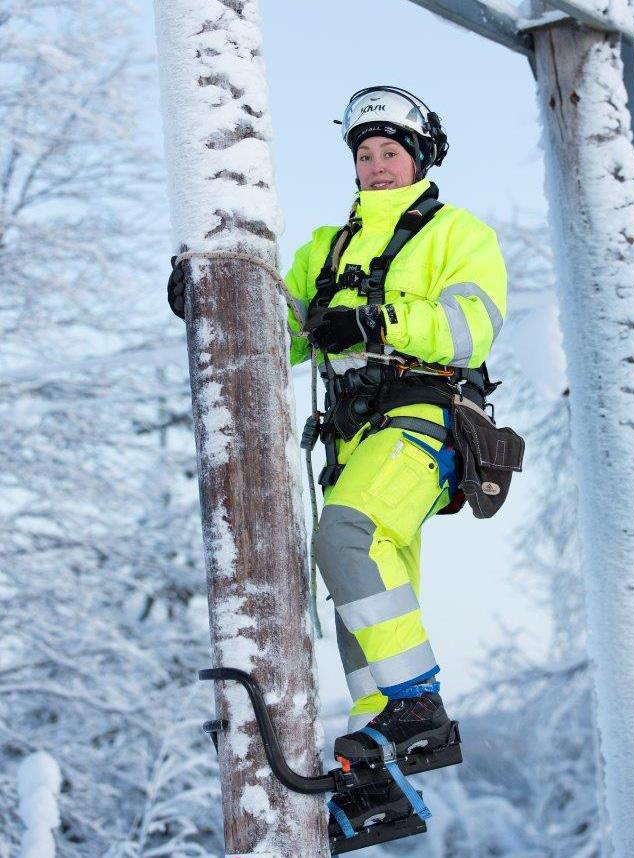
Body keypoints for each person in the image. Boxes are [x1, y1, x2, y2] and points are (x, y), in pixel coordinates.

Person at [168, 85, 507, 835]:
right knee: (361, 582)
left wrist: (379, 317)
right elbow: (277, 335)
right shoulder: (326, 247)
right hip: (352, 435)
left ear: (418, 159)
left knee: (346, 537)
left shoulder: (457, 232)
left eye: (390, 152)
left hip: (425, 413)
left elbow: (469, 327)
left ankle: (418, 703)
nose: (377, 165)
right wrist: (209, 300)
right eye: (365, 154)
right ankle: (378, 762)